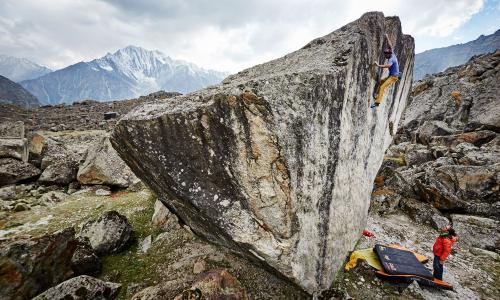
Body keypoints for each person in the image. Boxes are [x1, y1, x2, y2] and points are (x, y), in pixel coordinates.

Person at [371, 33, 399, 108]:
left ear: (388, 55)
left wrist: (378, 65)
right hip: (391, 75)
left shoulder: (392, 59)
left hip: (393, 77)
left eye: (386, 55)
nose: (385, 56)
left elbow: (388, 65)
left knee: (382, 87)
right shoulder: (392, 53)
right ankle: (376, 95)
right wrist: (387, 37)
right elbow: (390, 46)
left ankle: (377, 103)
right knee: (380, 82)